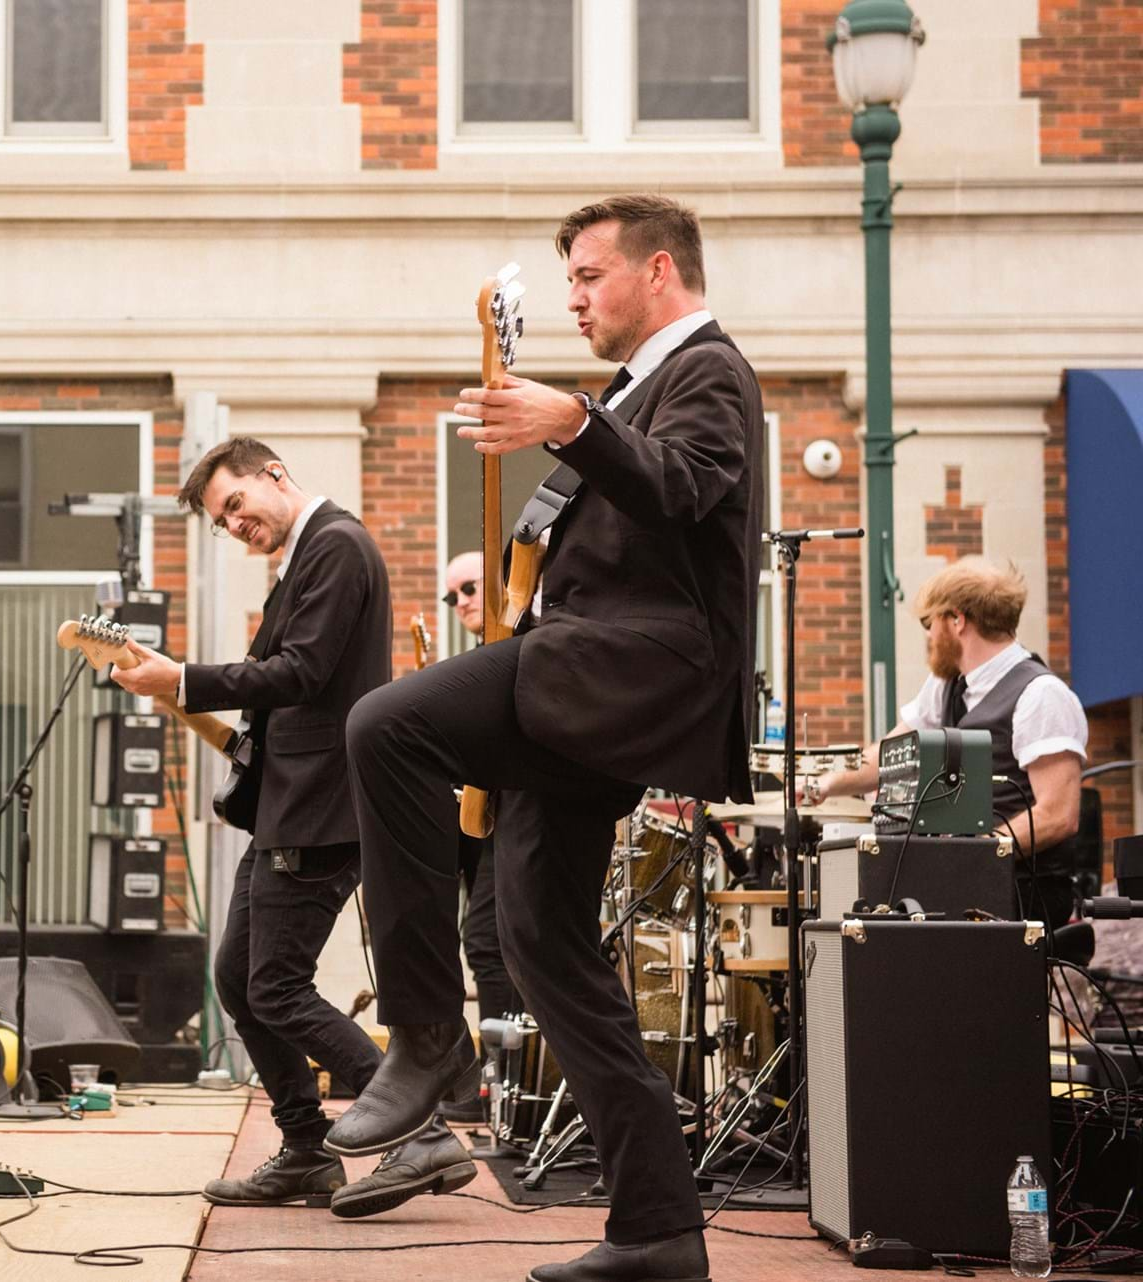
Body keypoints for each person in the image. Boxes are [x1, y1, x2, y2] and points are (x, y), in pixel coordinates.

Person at [334, 194, 760, 1282]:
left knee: (386, 723)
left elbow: (683, 488)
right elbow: (593, 539)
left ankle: (427, 1036)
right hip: (577, 680)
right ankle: (660, 1229)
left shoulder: (704, 369)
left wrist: (571, 422)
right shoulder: (633, 390)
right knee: (545, 947)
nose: (574, 296)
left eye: (590, 276)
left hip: (625, 678)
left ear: (659, 272)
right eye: (565, 280)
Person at [111, 438, 475, 1220]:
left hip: (321, 807)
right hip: (291, 801)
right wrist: (179, 687)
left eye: (235, 504)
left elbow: (302, 674)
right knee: (239, 979)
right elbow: (280, 699)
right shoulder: (306, 559)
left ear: (274, 475)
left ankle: (424, 1132)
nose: (233, 525)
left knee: (272, 985)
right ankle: (308, 1151)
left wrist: (180, 678)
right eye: (221, 521)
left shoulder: (337, 546)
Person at [810, 558, 1088, 929]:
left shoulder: (1041, 696)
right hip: (966, 881)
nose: (927, 636)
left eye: (929, 623)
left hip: (1022, 891)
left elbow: (1058, 815)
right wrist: (823, 783)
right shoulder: (948, 686)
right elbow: (890, 757)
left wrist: (971, 854)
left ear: (956, 620)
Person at [436, 551, 523, 1125]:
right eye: (452, 597)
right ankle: (493, 1083)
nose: (461, 601)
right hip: (485, 821)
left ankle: (503, 1086)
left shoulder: (514, 645)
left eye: (468, 587)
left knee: (490, 942)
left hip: (519, 817)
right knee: (476, 941)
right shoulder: (478, 656)